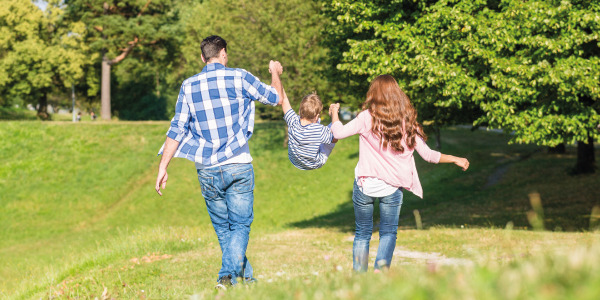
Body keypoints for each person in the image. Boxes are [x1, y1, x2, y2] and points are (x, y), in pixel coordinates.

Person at [154, 35, 284, 289]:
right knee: (241, 225)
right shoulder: (239, 77)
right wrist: (275, 72)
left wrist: (163, 166)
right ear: (223, 54)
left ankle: (246, 279)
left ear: (203, 58)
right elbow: (275, 97)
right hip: (238, 163)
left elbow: (177, 128)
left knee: (225, 229)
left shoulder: (189, 85)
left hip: (207, 169)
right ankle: (226, 276)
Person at [329, 74, 469, 273]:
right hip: (392, 188)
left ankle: (359, 279)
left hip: (365, 185)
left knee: (362, 233)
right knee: (388, 233)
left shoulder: (366, 117)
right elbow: (428, 155)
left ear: (373, 94)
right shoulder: (406, 121)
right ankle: (380, 273)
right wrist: (455, 158)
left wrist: (334, 113)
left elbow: (338, 133)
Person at [280, 86, 336, 170]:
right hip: (314, 163)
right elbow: (335, 138)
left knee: (321, 133)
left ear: (299, 110)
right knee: (334, 130)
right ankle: (331, 121)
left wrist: (275, 74)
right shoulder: (319, 130)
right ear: (317, 116)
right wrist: (334, 113)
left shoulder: (293, 121)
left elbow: (284, 100)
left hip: (294, 160)